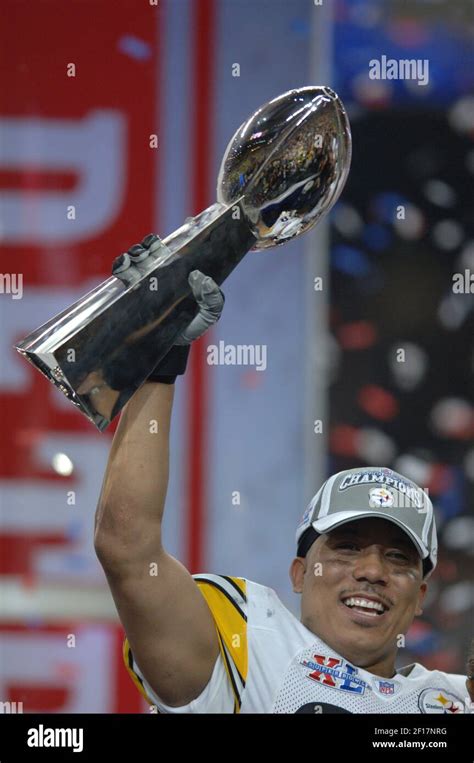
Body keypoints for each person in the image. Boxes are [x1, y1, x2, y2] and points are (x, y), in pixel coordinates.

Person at [94, 235, 473, 714]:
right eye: (348, 547)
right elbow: (126, 549)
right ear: (298, 572)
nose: (372, 571)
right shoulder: (248, 642)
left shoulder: (451, 699)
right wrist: (157, 357)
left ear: (420, 596)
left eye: (398, 558)